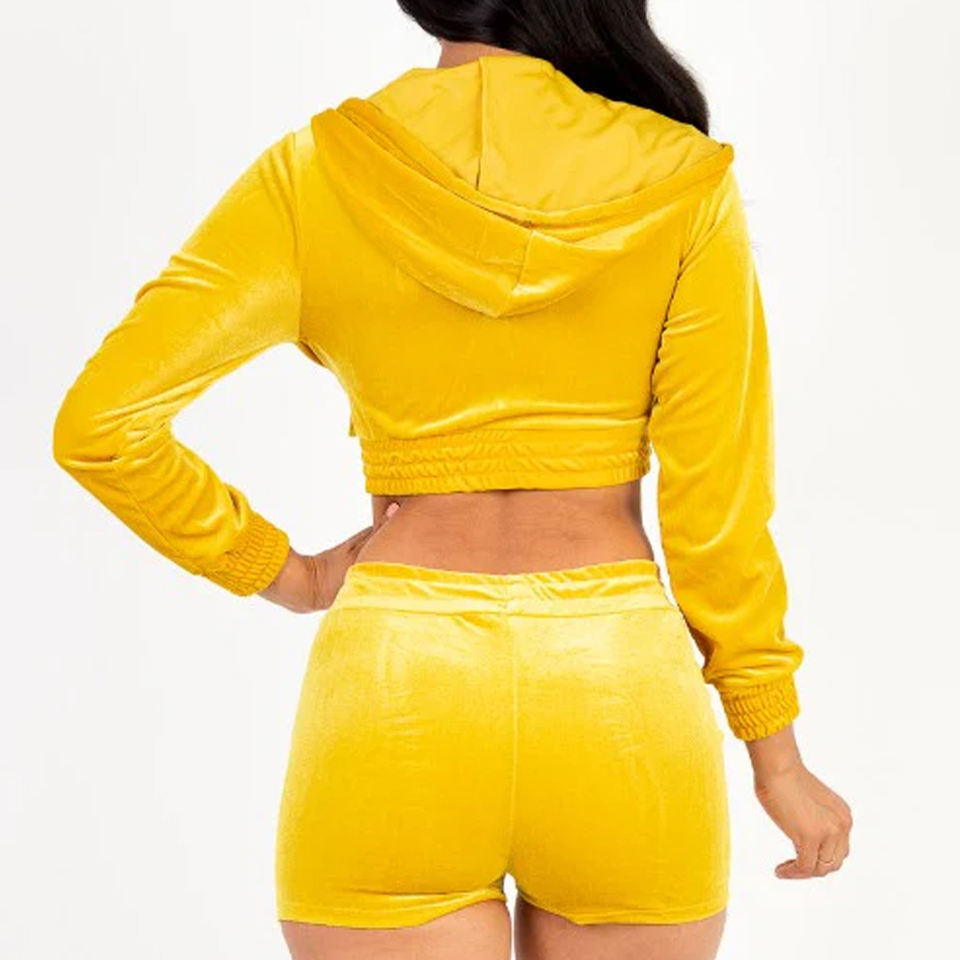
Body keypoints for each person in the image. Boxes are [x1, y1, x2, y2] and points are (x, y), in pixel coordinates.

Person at [51, 3, 853, 958]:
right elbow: (717, 509)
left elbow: (100, 423)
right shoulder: (682, 178)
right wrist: (776, 756)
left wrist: (286, 572)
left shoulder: (317, 169)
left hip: (395, 688)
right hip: (619, 695)